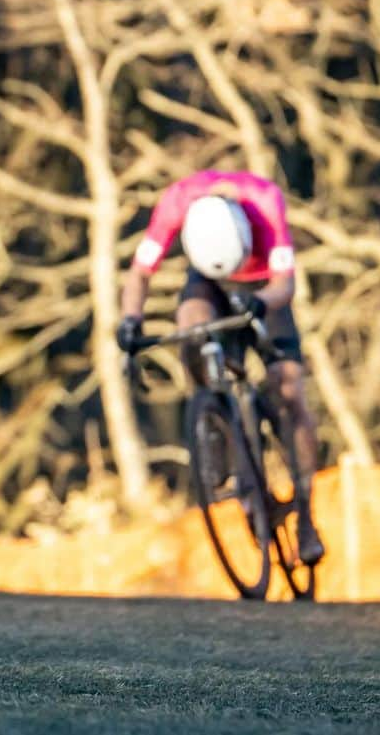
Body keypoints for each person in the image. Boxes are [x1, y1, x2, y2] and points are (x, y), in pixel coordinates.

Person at [116, 170, 325, 566]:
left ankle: (306, 514)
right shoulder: (178, 200)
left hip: (264, 284)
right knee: (192, 326)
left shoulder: (265, 201)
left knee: (290, 388)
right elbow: (141, 271)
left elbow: (287, 284)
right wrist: (130, 319)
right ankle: (213, 415)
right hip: (207, 279)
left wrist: (260, 302)